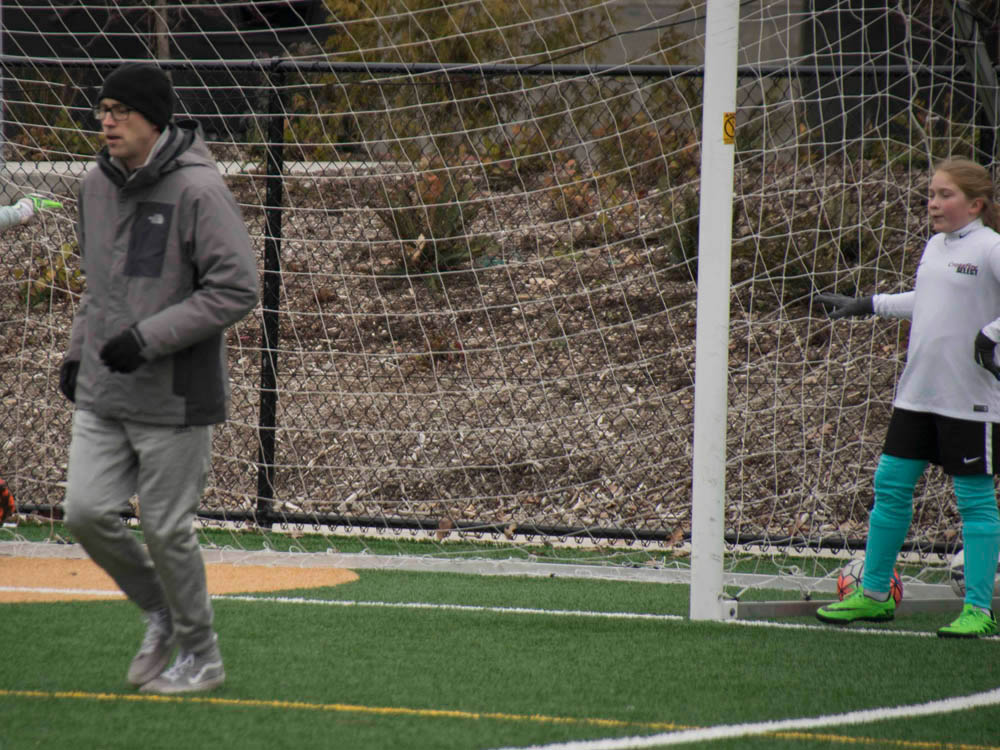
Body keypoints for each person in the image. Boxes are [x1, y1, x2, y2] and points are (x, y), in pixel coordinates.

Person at [59, 62, 259, 692]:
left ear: (154, 118)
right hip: (104, 389)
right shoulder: (93, 184)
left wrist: (148, 338)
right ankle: (159, 613)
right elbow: (99, 289)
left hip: (175, 396)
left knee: (166, 528)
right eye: (103, 110)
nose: (107, 121)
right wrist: (75, 354)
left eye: (120, 110)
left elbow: (237, 288)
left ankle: (202, 657)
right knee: (85, 513)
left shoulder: (200, 190)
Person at [814, 157, 1000, 638]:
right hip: (917, 394)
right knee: (891, 487)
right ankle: (874, 595)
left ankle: (978, 609)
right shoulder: (937, 247)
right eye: (931, 194)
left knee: (974, 501)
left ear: (975, 204)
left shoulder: (990, 248)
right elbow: (929, 300)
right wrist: (868, 305)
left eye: (945, 196)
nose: (933, 204)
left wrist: (991, 335)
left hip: (969, 400)